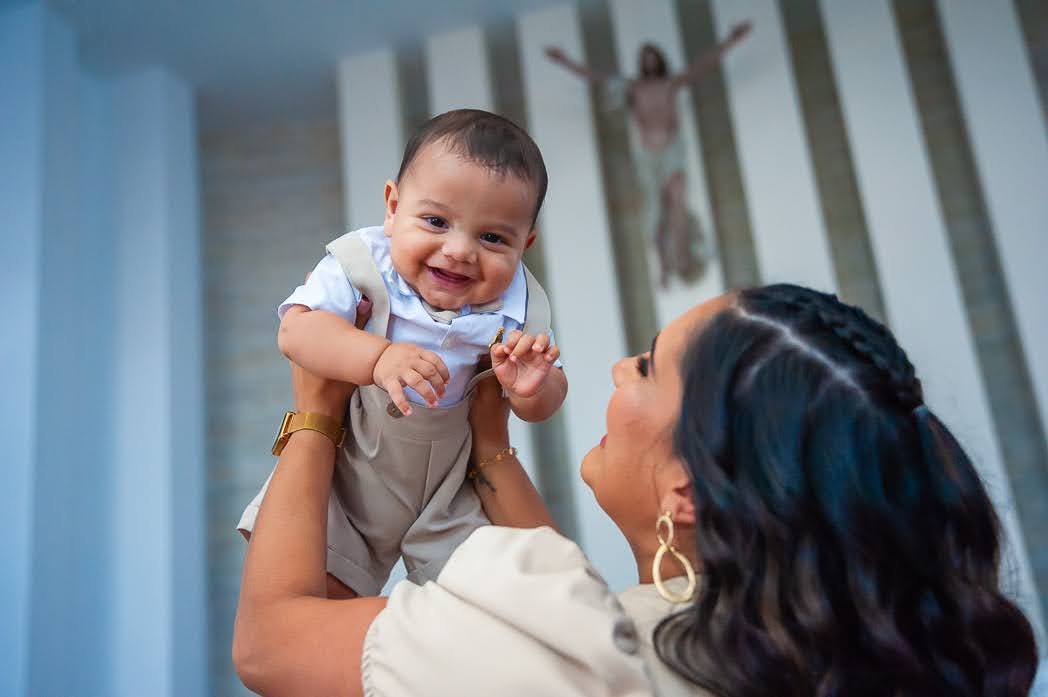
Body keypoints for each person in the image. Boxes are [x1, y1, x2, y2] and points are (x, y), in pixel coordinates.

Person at [233, 284, 1038, 696]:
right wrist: (489, 448)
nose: (619, 368)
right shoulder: (788, 655)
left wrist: (317, 406)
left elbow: (271, 645)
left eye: (649, 365)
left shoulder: (578, 656)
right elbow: (592, 601)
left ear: (686, 492)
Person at [237, 109, 568, 598]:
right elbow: (297, 332)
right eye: (435, 221)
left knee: (490, 602)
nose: (458, 250)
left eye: (493, 238)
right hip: (352, 470)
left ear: (526, 244)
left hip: (450, 490)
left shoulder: (519, 304)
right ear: (392, 207)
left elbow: (548, 398)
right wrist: (377, 358)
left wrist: (533, 389)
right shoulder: (362, 263)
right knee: (319, 596)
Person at [546, 23, 751, 288]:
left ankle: (681, 258)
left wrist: (732, 41)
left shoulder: (671, 82)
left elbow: (703, 65)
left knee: (678, 203)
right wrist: (565, 61)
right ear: (641, 63)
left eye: (652, 56)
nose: (649, 61)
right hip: (647, 157)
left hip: (672, 152)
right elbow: (595, 77)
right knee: (654, 213)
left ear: (659, 60)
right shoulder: (634, 87)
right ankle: (664, 266)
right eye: (645, 58)